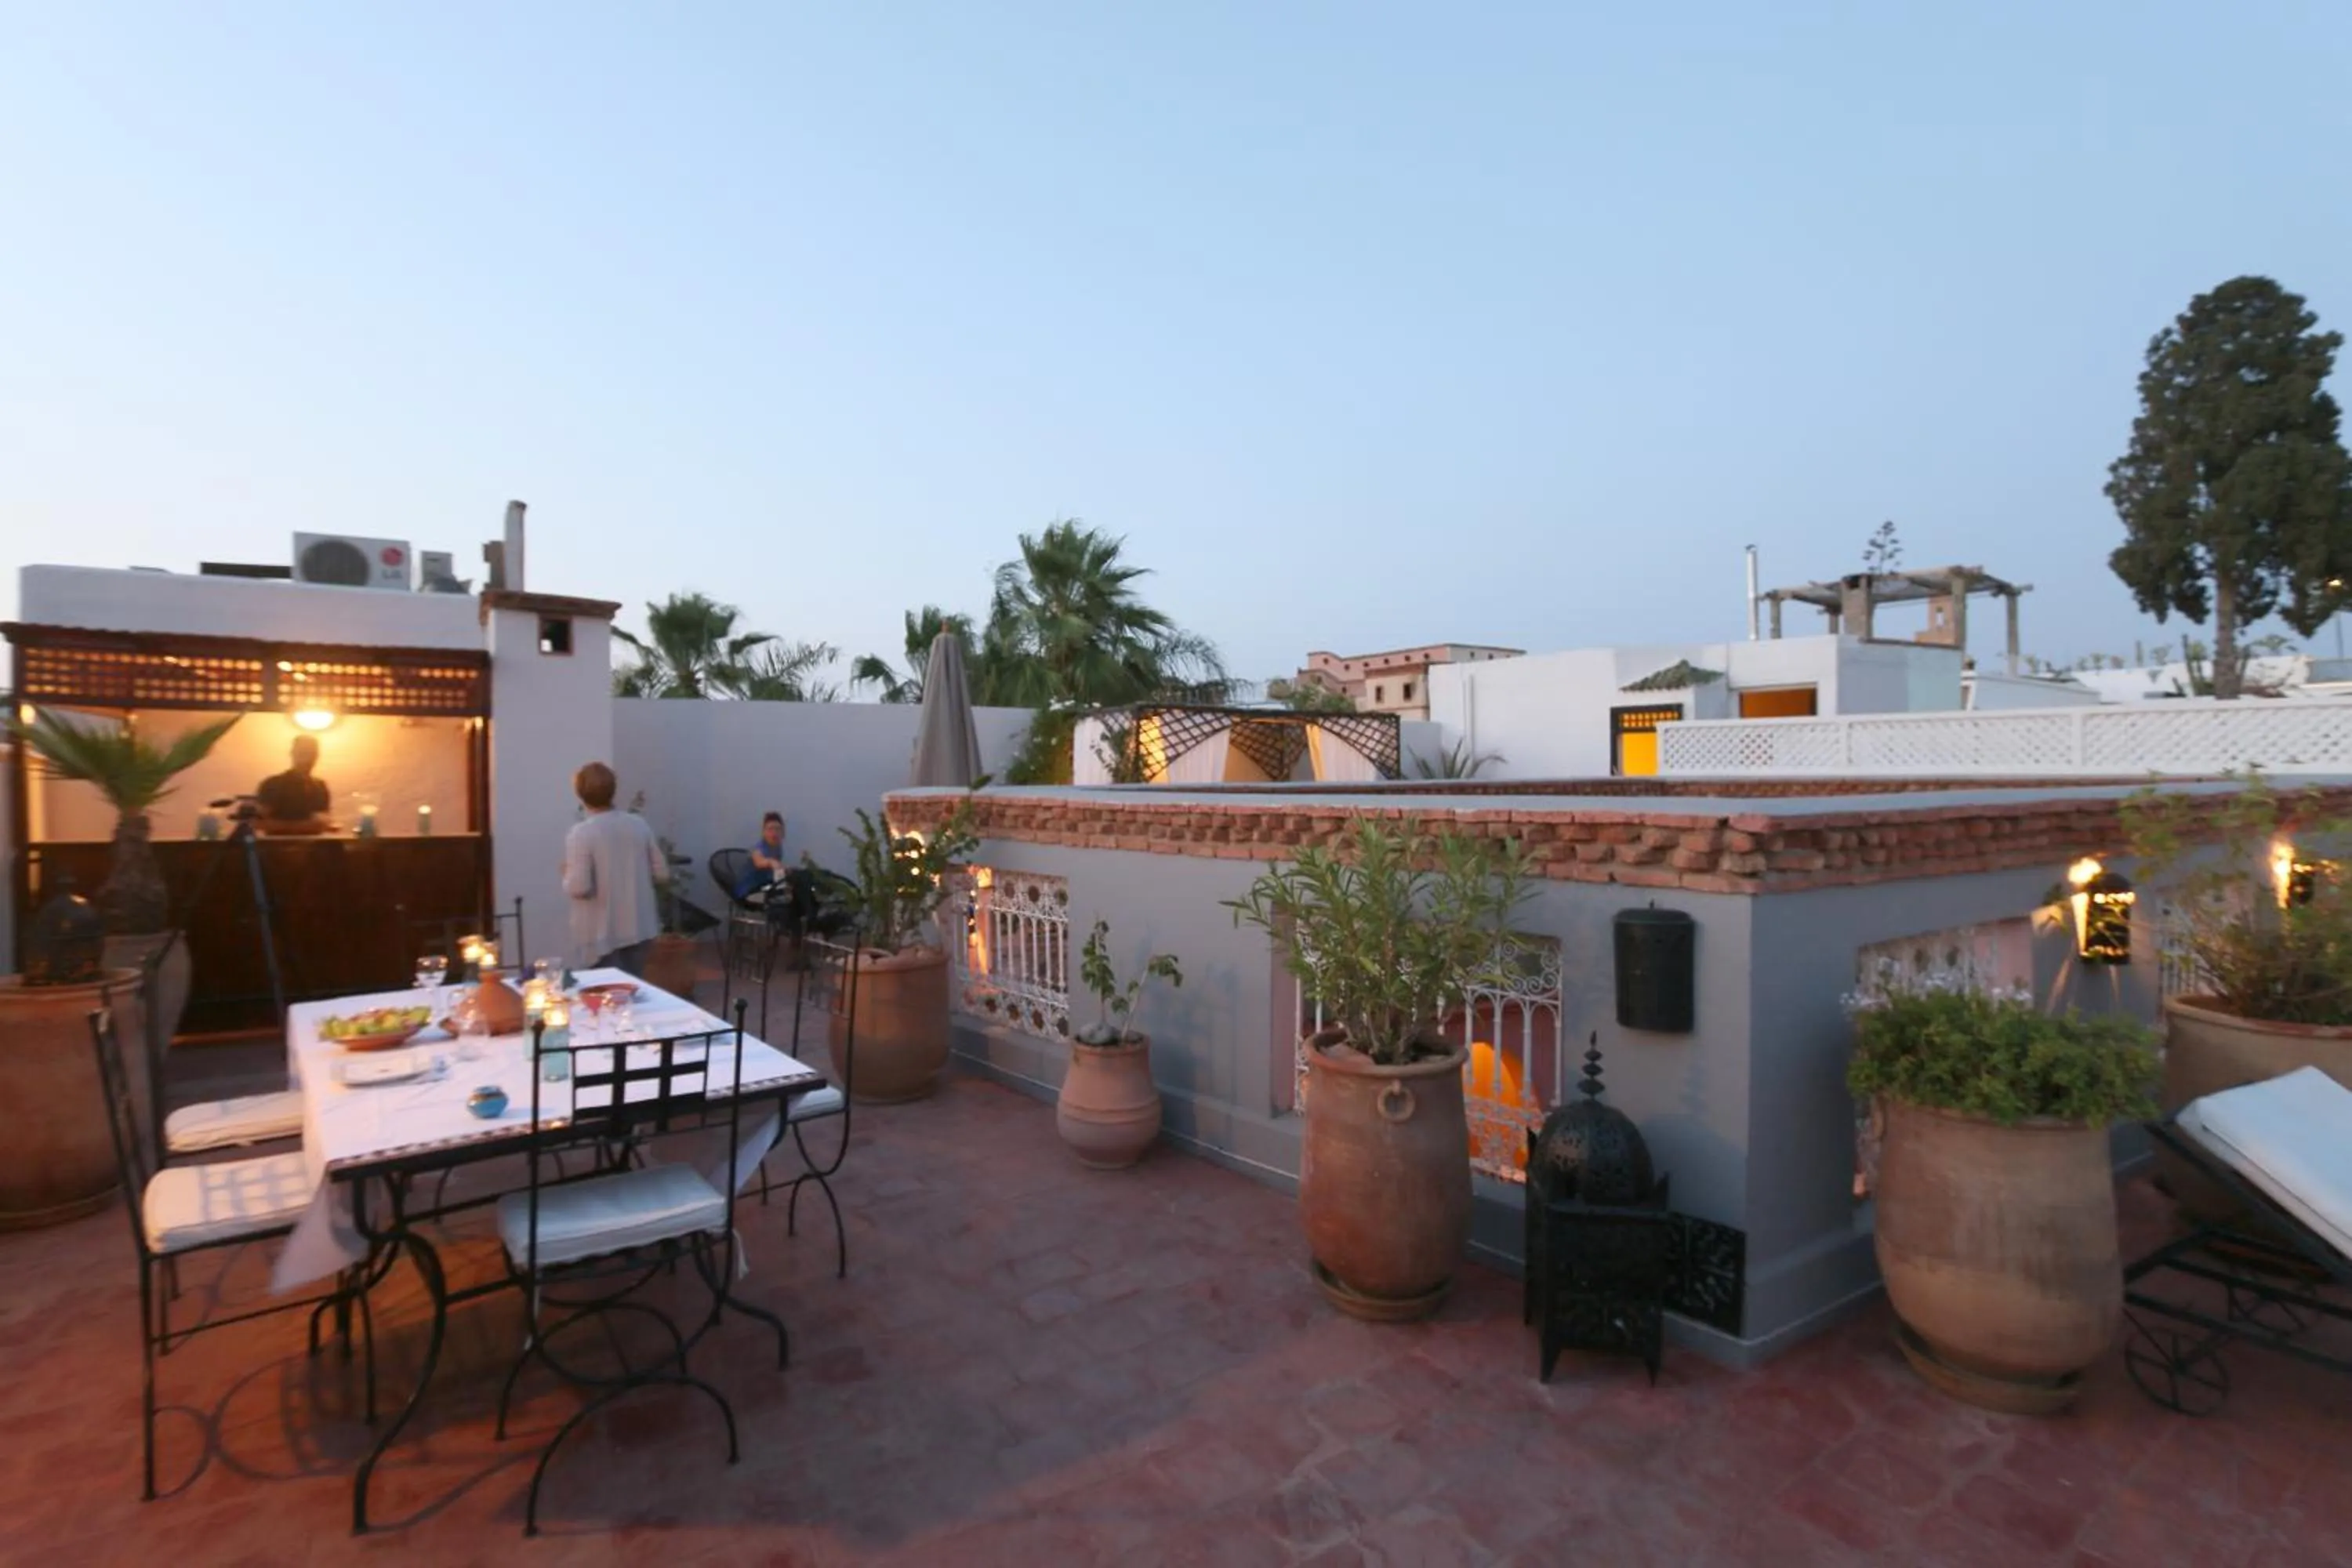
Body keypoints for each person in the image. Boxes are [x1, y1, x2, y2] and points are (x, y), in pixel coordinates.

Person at [561, 761, 669, 975]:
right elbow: (662, 874)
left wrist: (566, 874)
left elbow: (579, 887)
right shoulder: (638, 824)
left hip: (601, 931)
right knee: (634, 990)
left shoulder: (582, 833)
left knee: (604, 995)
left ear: (580, 793)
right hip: (639, 925)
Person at [742, 810, 819, 933]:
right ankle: (810, 920)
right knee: (798, 889)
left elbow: (778, 871)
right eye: (770, 829)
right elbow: (759, 861)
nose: (774, 833)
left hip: (770, 887)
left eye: (778, 829)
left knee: (804, 879)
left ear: (783, 832)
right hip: (752, 891)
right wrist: (770, 862)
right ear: (764, 832)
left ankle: (806, 921)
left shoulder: (777, 848)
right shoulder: (758, 848)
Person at [254, 735, 331, 833]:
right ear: (293, 754)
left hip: (313, 847)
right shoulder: (273, 784)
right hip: (278, 847)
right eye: (303, 753)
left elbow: (324, 820)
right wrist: (304, 826)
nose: (308, 759)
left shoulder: (320, 786)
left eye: (312, 754)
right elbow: (258, 822)